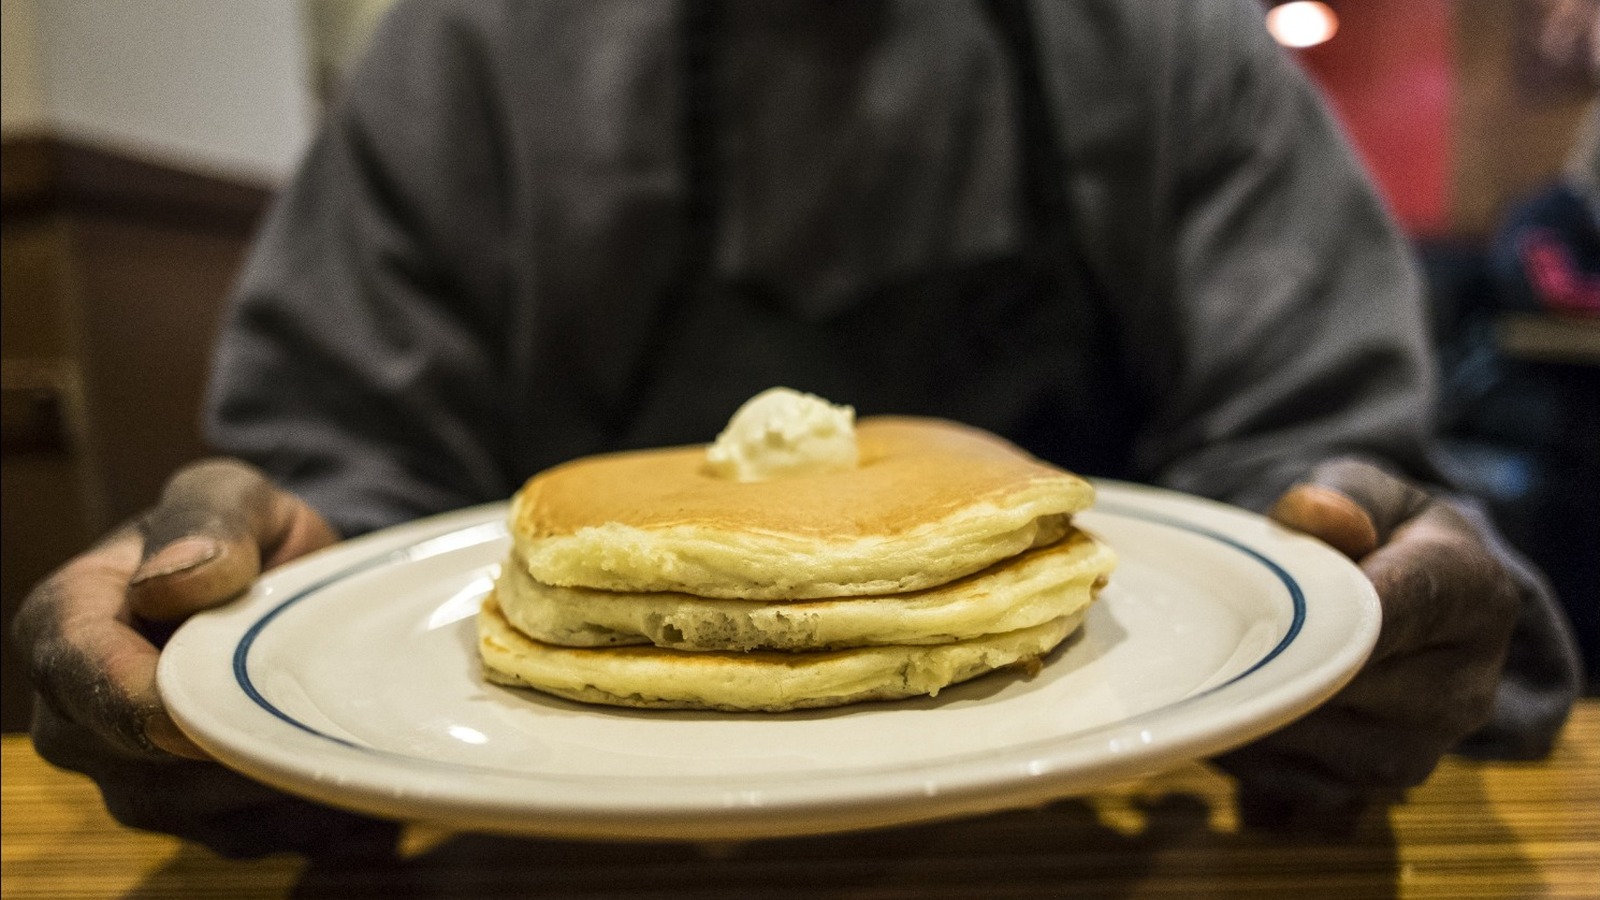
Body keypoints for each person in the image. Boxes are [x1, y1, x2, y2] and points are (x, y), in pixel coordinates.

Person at [14, 0, 1583, 857]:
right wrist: (245, 635)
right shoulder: (470, 55)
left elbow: (1309, 488)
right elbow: (351, 511)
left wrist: (1375, 592)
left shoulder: (1175, 48)